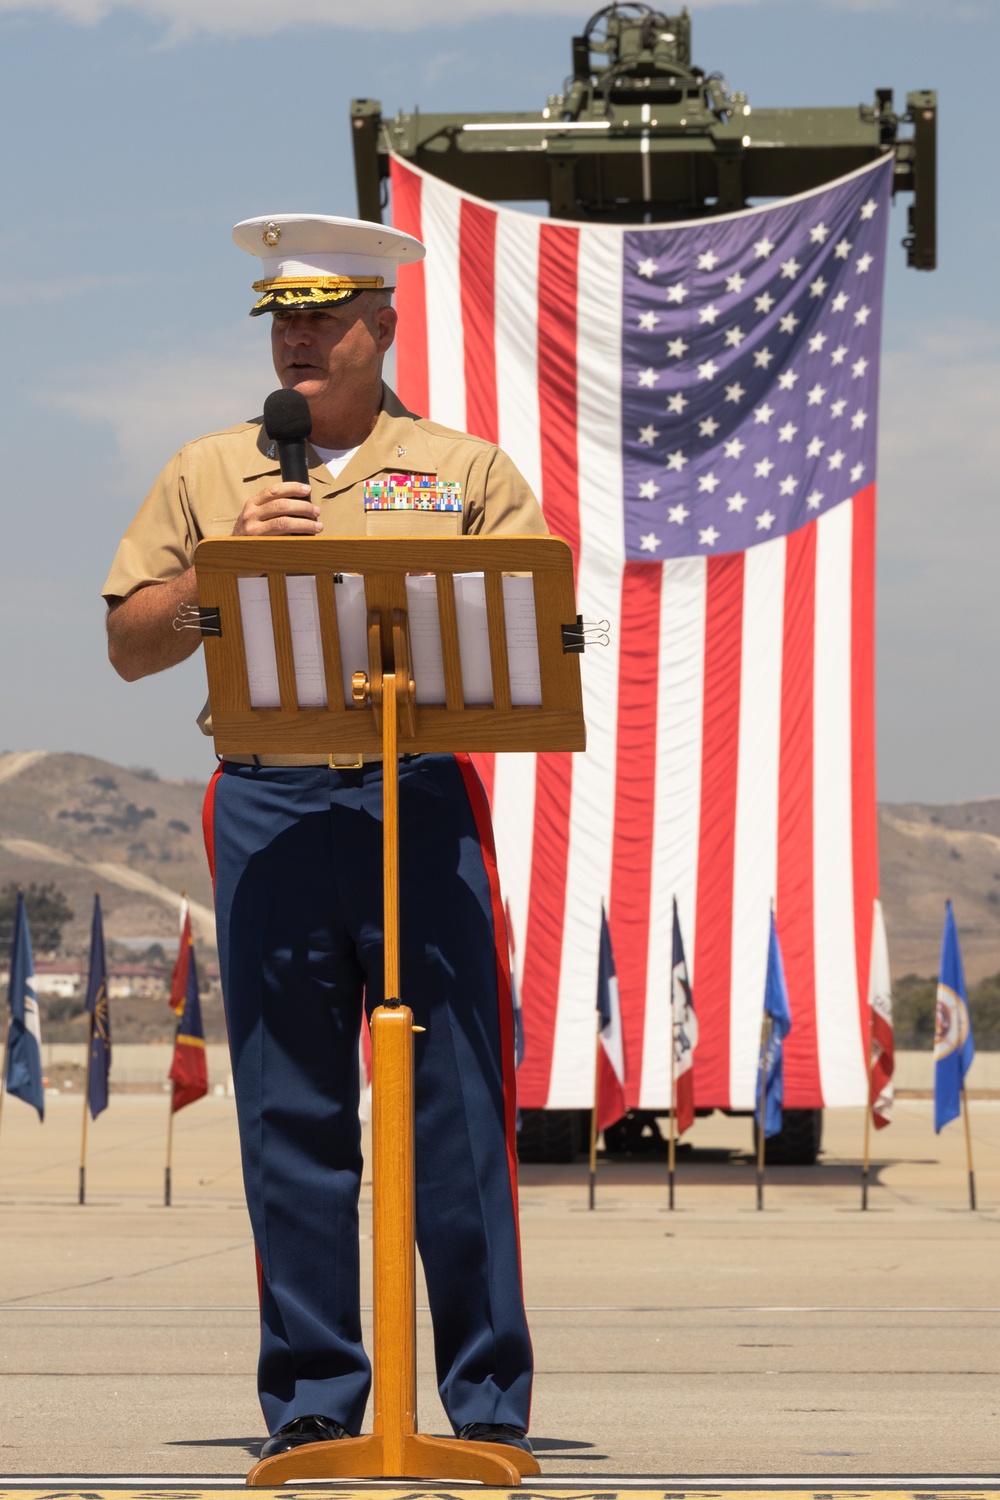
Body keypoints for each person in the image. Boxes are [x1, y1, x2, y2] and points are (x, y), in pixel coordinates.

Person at [103, 215, 547, 1459]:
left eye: (323, 314)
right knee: (290, 1118)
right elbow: (130, 646)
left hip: (416, 800)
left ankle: (487, 1408)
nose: (297, 337)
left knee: (456, 1113)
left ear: (383, 324)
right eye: (281, 316)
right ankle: (309, 1405)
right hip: (271, 804)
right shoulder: (206, 468)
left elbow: (536, 634)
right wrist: (213, 572)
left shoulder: (464, 470)